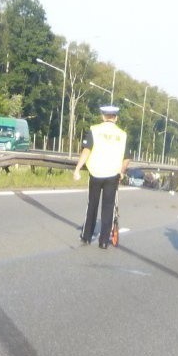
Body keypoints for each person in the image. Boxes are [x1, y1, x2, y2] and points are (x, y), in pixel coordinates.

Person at [74, 105, 130, 249]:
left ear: (102, 117)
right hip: (113, 174)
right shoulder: (122, 134)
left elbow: (87, 150)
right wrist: (122, 171)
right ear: (116, 118)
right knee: (108, 207)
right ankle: (104, 241)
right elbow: (127, 158)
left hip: (96, 172)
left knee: (92, 204)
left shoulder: (95, 130)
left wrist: (78, 169)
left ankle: (87, 236)